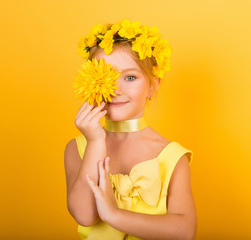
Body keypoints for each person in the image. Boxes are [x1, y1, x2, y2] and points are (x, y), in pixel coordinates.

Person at [64, 20, 197, 240]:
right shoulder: (78, 147)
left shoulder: (172, 156)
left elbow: (185, 232)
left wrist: (114, 215)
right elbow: (84, 215)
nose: (116, 89)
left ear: (153, 86)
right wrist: (96, 142)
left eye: (130, 77)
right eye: (106, 77)